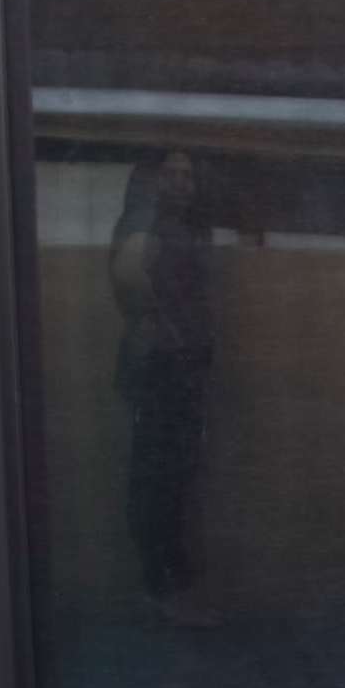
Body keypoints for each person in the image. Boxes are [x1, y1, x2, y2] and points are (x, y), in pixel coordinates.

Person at [110, 148, 217, 626]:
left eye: (187, 175)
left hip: (177, 365)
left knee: (172, 475)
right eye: (171, 173)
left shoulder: (180, 224)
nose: (181, 182)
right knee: (160, 478)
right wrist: (162, 325)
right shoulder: (145, 216)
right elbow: (130, 270)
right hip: (160, 366)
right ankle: (163, 586)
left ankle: (164, 585)